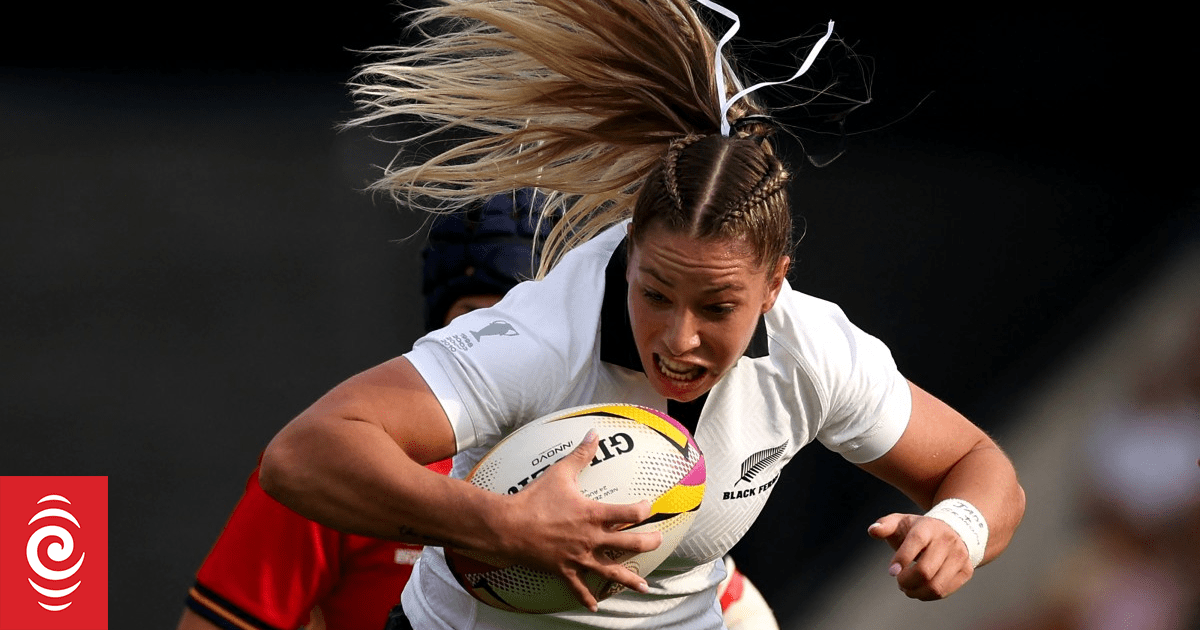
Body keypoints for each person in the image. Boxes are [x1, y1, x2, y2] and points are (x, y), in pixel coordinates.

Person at [259, 1, 1026, 628]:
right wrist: (504, 526)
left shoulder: (813, 351)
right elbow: (303, 456)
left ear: (773, 286)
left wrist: (959, 527)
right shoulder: (541, 340)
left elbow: (977, 465)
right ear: (629, 253)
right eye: (655, 293)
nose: (679, 338)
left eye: (717, 307)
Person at [177, 188, 778, 630]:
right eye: (479, 320)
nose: (503, 349)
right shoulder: (351, 472)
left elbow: (722, 599)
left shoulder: (619, 472)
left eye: (525, 323)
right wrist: (501, 526)